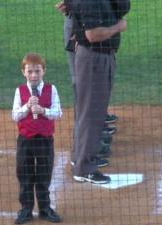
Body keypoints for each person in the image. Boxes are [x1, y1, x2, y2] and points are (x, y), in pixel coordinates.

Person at [67, 0, 128, 184]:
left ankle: (81, 157)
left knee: (92, 113)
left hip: (99, 57)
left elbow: (123, 6)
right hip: (93, 59)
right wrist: (118, 27)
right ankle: (84, 168)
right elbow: (92, 34)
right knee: (91, 115)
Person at [55, 0, 119, 165]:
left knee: (94, 95)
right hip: (82, 29)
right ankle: (83, 152)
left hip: (95, 20)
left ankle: (95, 137)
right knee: (84, 94)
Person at [12, 53, 63, 224]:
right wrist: (27, 106)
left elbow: (58, 112)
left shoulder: (52, 89)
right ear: (23, 72)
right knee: (25, 175)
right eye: (30, 71)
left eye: (37, 71)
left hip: (45, 140)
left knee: (43, 174)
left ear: (44, 71)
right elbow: (15, 115)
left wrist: (43, 111)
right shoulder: (20, 91)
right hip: (26, 140)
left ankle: (44, 209)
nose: (34, 75)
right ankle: (26, 210)